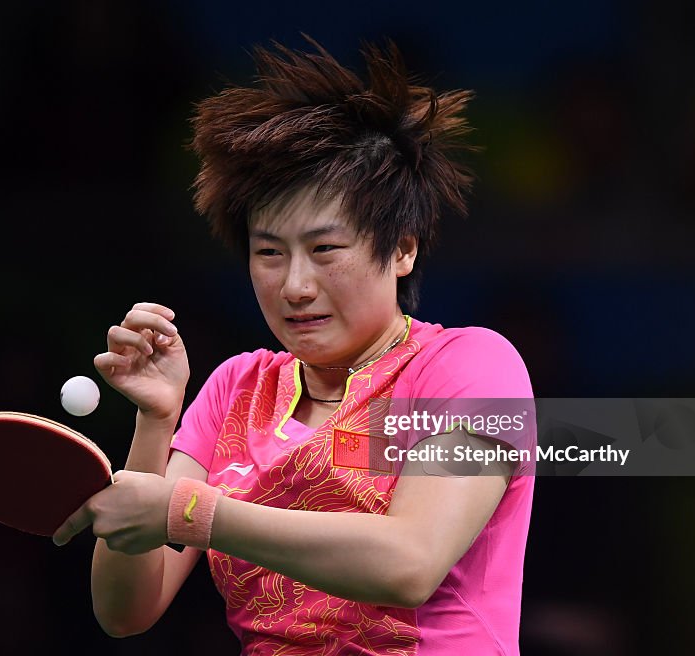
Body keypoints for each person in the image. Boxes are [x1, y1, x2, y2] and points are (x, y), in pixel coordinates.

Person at [53, 36, 536, 655]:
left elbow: (410, 563)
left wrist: (191, 511)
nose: (296, 286)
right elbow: (127, 610)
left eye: (326, 249)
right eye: (269, 254)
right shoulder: (235, 388)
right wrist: (156, 421)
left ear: (403, 249)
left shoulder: (471, 367)